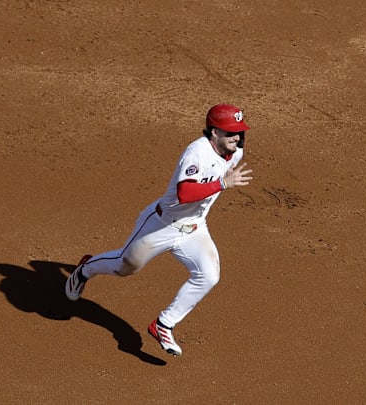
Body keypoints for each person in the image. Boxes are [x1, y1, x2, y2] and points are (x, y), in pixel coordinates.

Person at [65, 103, 254, 357]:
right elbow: (184, 193)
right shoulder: (197, 152)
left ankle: (164, 324)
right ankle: (85, 269)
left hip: (195, 229)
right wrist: (222, 182)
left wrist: (224, 177)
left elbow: (217, 176)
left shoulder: (236, 153)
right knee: (125, 266)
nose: (237, 137)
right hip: (161, 225)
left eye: (239, 132)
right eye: (230, 132)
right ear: (213, 133)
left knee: (209, 275)